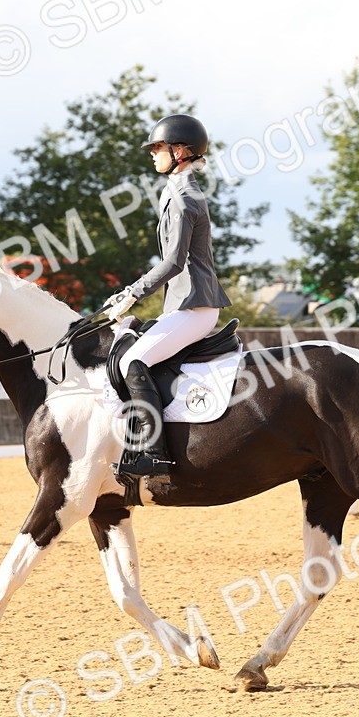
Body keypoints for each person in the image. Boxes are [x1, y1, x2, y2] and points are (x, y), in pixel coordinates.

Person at [104, 114, 231, 478]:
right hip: (187, 303)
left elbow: (174, 263)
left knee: (132, 363)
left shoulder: (185, 197)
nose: (152, 155)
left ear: (179, 151)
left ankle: (153, 452)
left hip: (196, 304)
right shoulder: (177, 190)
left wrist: (131, 294)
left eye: (158, 148)